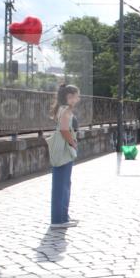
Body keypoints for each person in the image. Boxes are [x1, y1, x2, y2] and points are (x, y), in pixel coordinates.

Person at [49, 84, 80, 229]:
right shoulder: (66, 110)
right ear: (68, 97)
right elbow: (64, 130)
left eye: (76, 96)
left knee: (64, 183)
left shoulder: (62, 109)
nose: (76, 99)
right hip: (63, 149)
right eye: (74, 96)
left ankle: (63, 217)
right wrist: (73, 142)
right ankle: (58, 219)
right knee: (62, 184)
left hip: (62, 148)